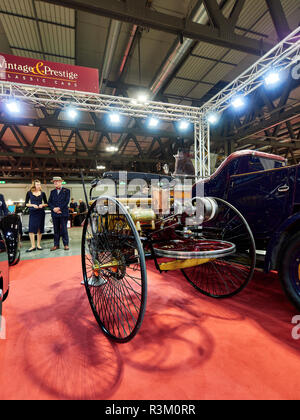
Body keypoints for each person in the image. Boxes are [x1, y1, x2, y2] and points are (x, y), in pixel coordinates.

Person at [48, 176, 70, 251]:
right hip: (55, 213)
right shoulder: (52, 192)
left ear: (61, 182)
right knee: (56, 229)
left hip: (63, 213)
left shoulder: (67, 191)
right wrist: (54, 208)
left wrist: (59, 208)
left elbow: (66, 201)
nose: (55, 183)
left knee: (64, 229)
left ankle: (66, 244)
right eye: (54, 182)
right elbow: (49, 202)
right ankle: (56, 245)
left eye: (57, 181)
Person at [25, 180, 48, 252]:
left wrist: (42, 205)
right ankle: (32, 246)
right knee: (31, 229)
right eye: (37, 184)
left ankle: (38, 245)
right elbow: (26, 203)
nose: (39, 186)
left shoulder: (43, 193)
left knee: (40, 228)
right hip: (33, 212)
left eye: (39, 184)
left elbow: (47, 203)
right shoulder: (29, 193)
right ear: (34, 185)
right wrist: (32, 205)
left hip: (41, 212)